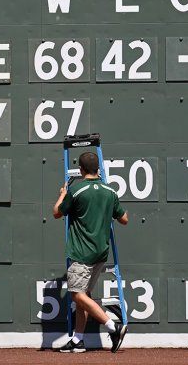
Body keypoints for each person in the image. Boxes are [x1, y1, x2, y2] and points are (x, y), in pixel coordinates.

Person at [52, 151, 129, 353]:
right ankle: (78, 341)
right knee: (84, 295)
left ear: (81, 169)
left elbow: (56, 212)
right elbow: (124, 219)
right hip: (100, 254)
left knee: (77, 296)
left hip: (82, 254)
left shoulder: (76, 191)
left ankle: (113, 327)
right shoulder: (110, 191)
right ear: (98, 169)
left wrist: (62, 194)